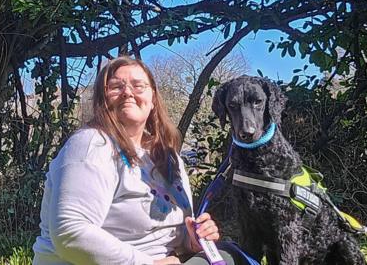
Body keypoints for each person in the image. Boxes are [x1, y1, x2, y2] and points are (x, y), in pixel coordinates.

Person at [32, 56, 241, 265]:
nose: (128, 92)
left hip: (169, 259)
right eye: (115, 86)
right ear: (102, 100)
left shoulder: (169, 157)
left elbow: (170, 234)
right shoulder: (91, 145)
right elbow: (70, 231)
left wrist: (191, 240)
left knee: (231, 256)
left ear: (153, 100)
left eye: (138, 85)